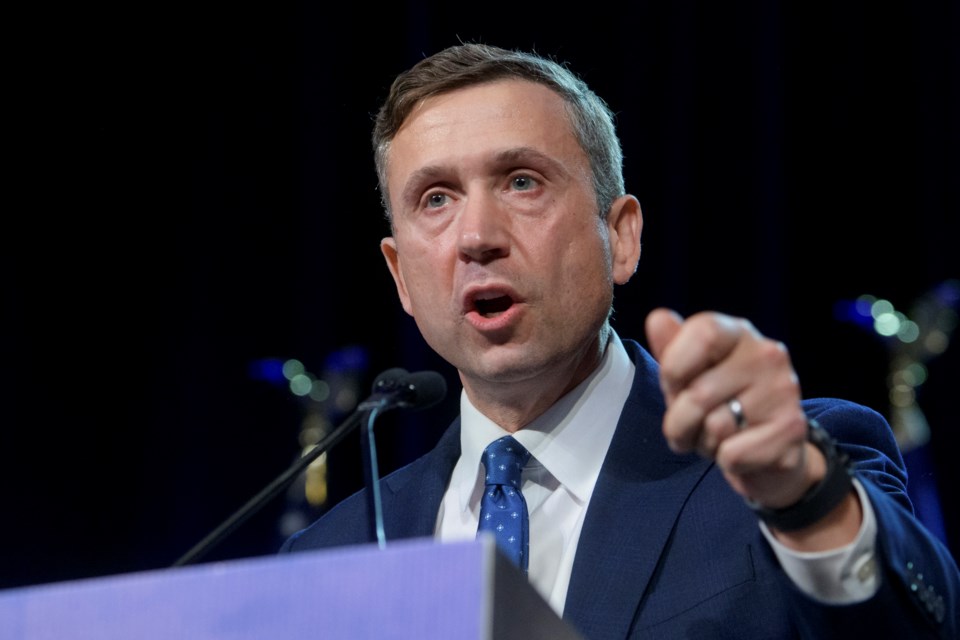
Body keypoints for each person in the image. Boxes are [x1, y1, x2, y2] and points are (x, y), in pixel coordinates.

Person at [279, 42, 959, 638]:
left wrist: (805, 499)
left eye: (521, 181)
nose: (477, 236)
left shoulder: (783, 473)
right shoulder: (329, 560)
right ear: (401, 274)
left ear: (622, 236)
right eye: (435, 198)